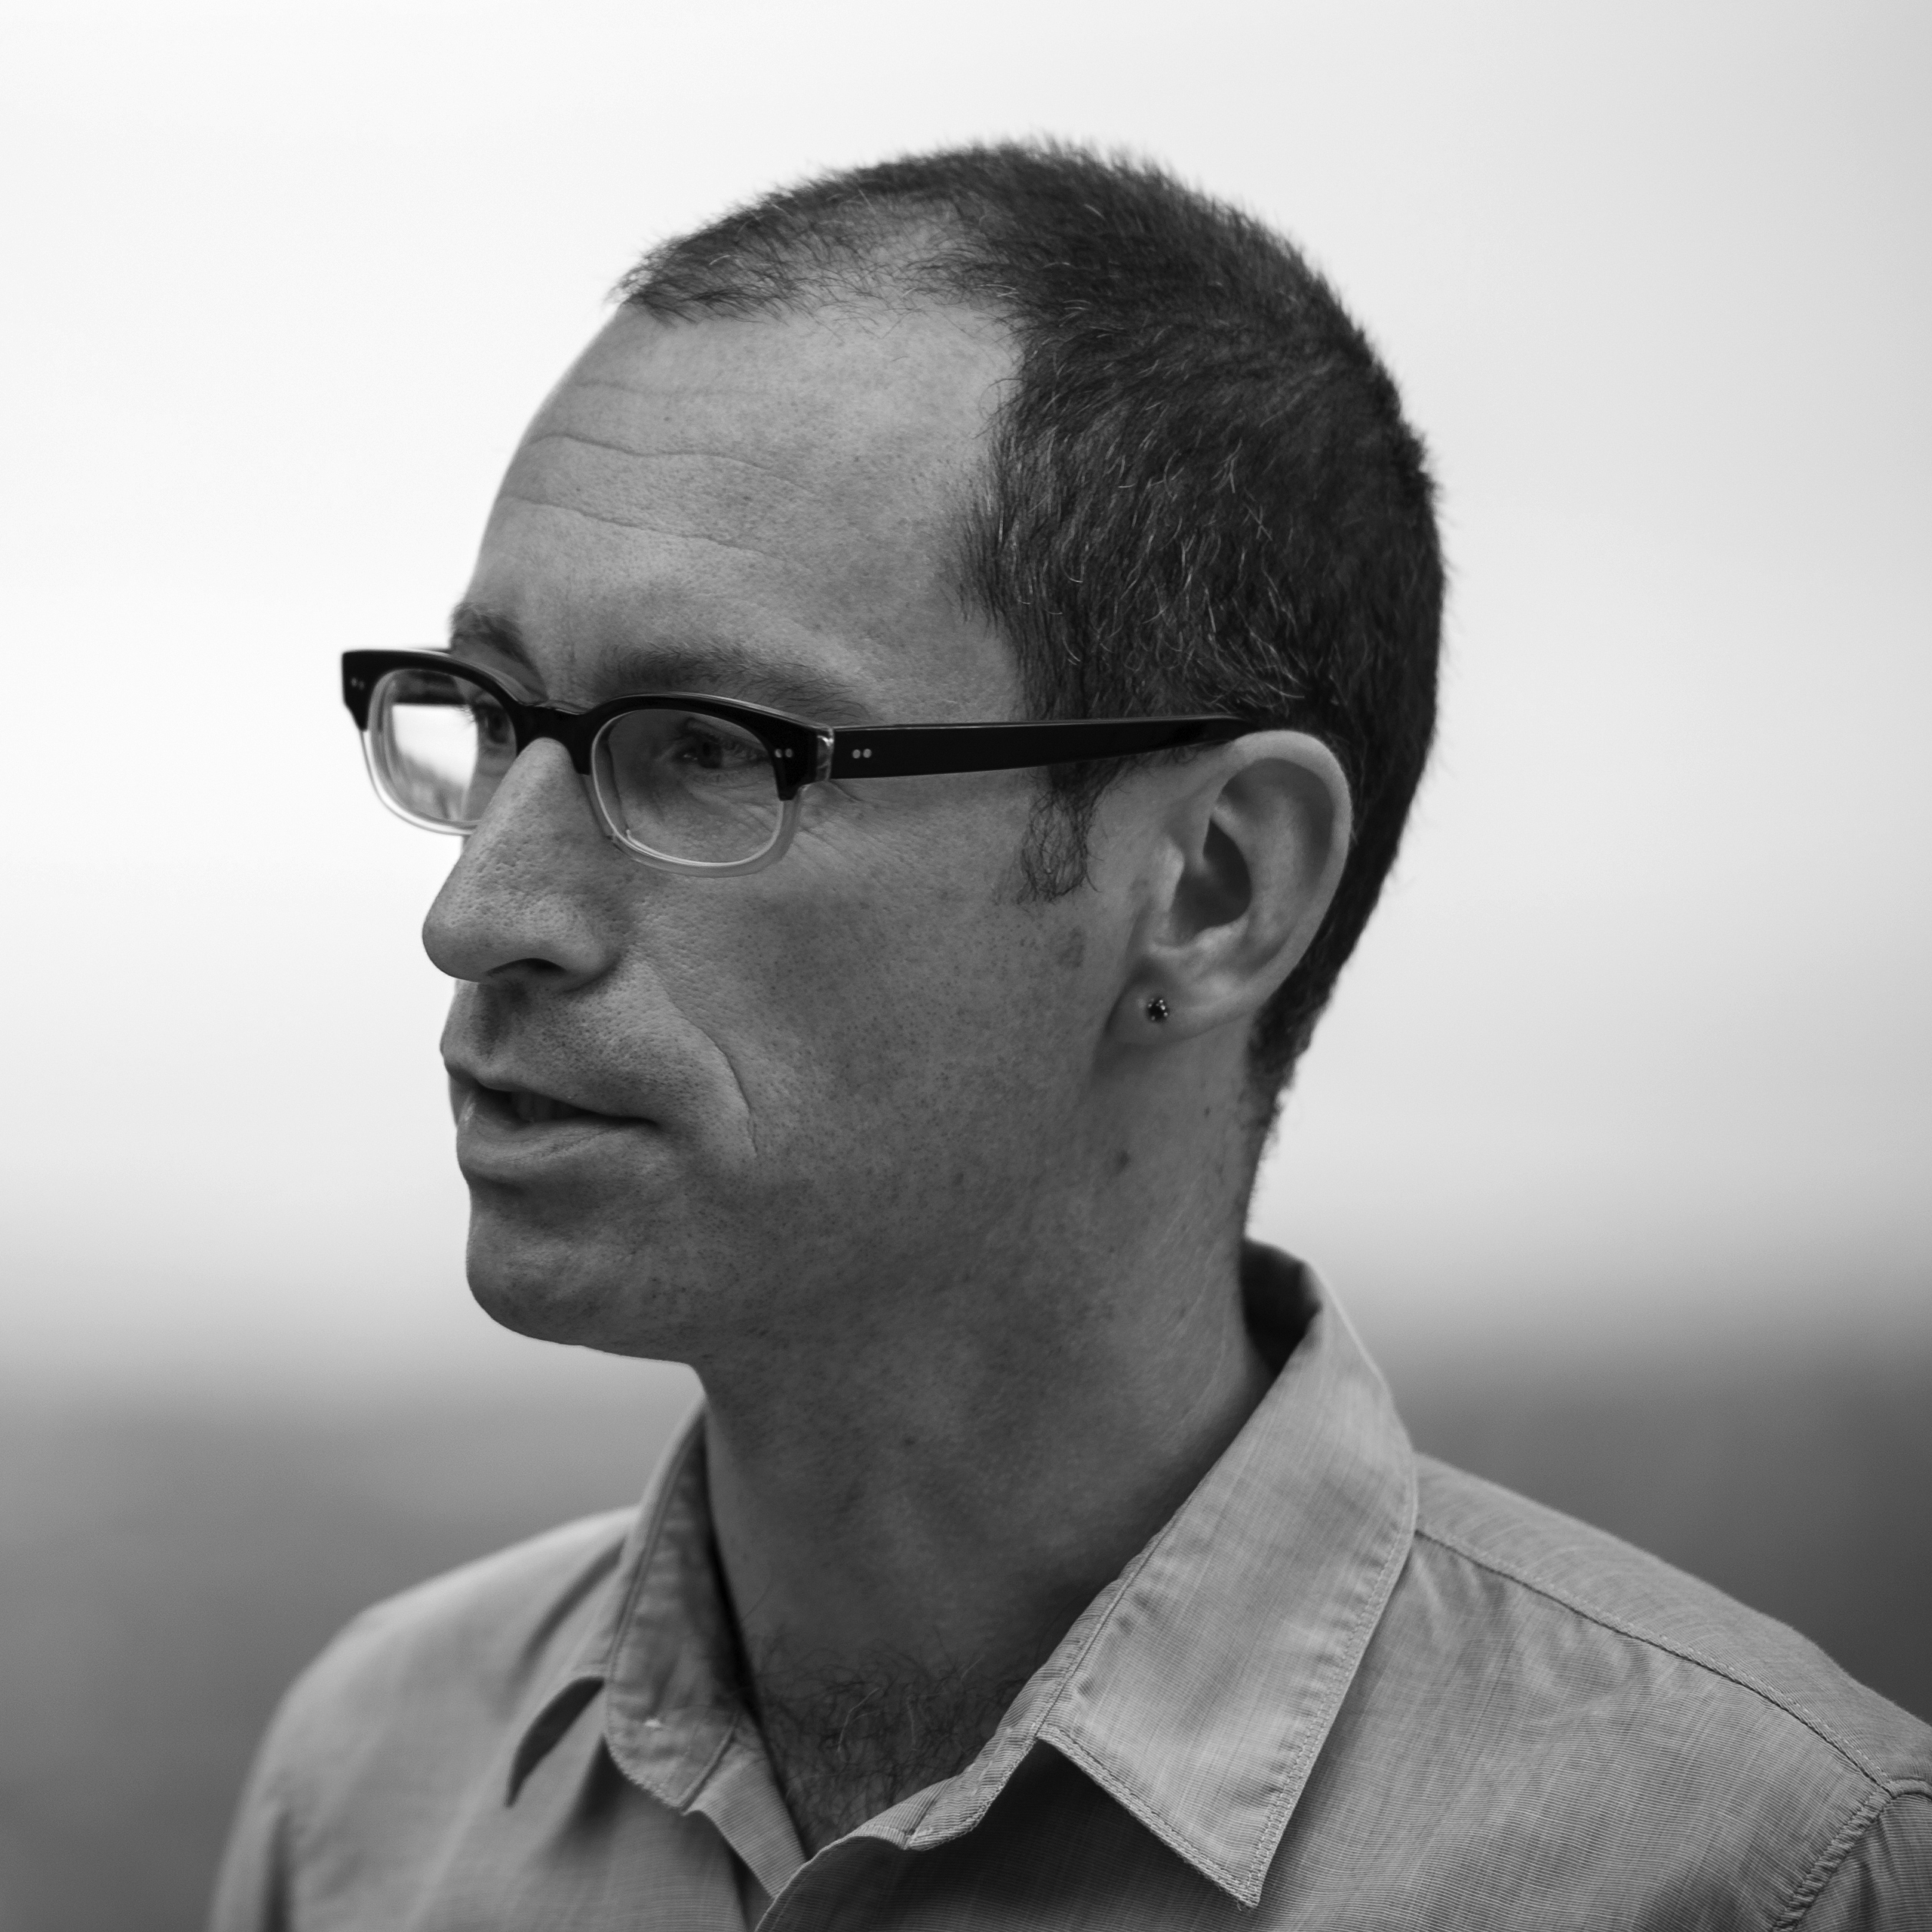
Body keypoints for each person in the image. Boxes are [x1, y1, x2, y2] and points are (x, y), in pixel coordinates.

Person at [210, 143, 1931, 1930]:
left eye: (711, 750)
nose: (480, 910)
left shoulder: (1767, 1876)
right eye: (490, 718)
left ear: (1212, 884)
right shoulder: (374, 1788)